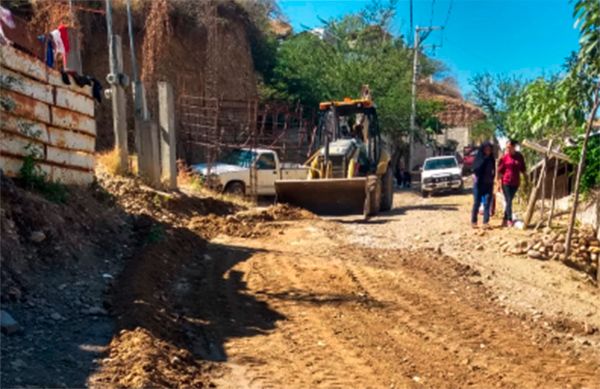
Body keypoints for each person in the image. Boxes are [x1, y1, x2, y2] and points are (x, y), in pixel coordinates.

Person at [497, 139, 527, 227]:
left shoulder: (519, 157)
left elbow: (523, 169)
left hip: (515, 183)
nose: (508, 149)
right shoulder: (504, 158)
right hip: (506, 182)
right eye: (507, 148)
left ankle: (505, 218)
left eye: (509, 147)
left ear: (514, 147)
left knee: (509, 201)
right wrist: (498, 184)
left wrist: (527, 179)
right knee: (509, 200)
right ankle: (509, 219)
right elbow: (499, 171)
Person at [471, 141, 496, 228]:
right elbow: (474, 170)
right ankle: (474, 221)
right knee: (477, 203)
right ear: (483, 149)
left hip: (488, 185)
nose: (488, 151)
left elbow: (493, 171)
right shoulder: (479, 159)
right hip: (479, 185)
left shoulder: (491, 159)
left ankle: (485, 222)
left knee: (486, 203)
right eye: (486, 149)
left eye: (490, 149)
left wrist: (493, 180)